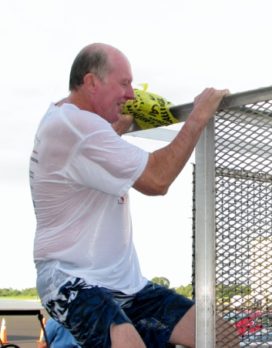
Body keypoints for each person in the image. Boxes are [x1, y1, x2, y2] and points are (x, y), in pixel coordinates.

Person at [30, 43, 239, 348]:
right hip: (71, 279)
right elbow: (157, 179)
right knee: (128, 344)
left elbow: (89, 161)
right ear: (91, 82)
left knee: (222, 337)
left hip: (126, 286)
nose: (130, 95)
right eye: (124, 84)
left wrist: (115, 131)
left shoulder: (76, 124)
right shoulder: (76, 124)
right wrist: (197, 117)